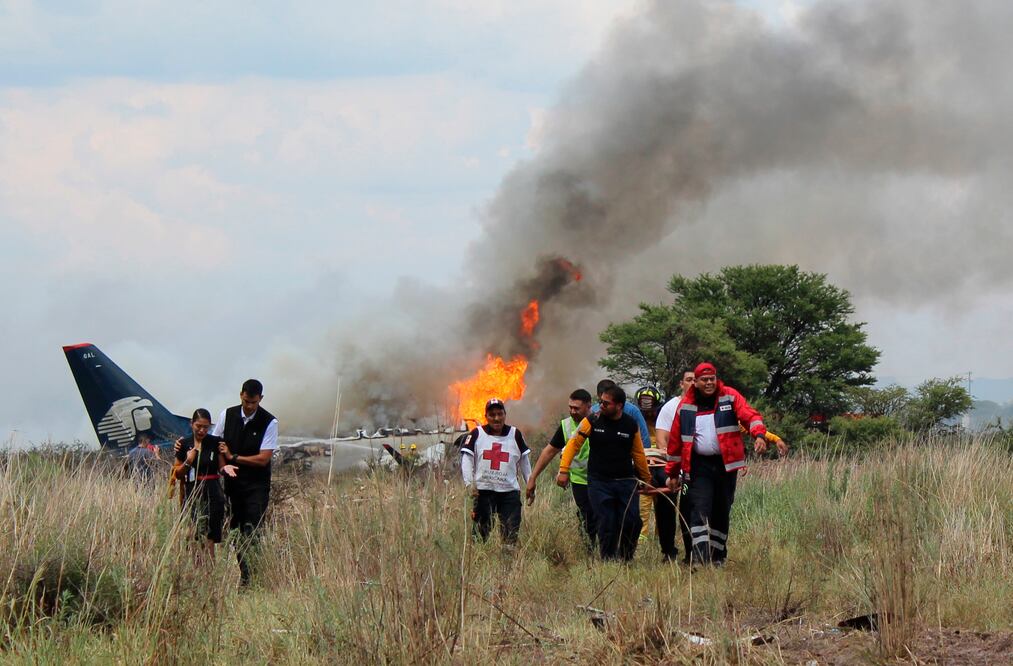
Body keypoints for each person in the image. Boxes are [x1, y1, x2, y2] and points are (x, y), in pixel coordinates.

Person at [664, 362, 767, 566]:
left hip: (725, 466)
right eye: (704, 379)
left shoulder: (729, 396)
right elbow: (675, 443)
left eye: (712, 378)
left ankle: (718, 557)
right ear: (696, 382)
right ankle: (699, 560)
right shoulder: (685, 407)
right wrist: (672, 473)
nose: (709, 382)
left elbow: (750, 416)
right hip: (699, 466)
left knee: (721, 510)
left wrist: (759, 435)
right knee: (698, 510)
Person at [558, 386, 652, 561]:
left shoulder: (630, 425)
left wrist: (646, 479)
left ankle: (625, 558)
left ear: (619, 406)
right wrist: (564, 470)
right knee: (606, 521)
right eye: (600, 401)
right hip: (599, 482)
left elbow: (638, 454)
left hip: (626, 481)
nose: (600, 406)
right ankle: (608, 560)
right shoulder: (592, 420)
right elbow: (573, 445)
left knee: (633, 522)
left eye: (605, 403)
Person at [213, 379, 278, 586]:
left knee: (252, 530)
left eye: (254, 402)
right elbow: (217, 444)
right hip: (233, 485)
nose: (250, 406)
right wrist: (224, 466)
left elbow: (263, 458)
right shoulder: (227, 415)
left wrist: (234, 458)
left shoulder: (269, 422)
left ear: (261, 399)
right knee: (236, 530)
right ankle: (244, 575)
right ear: (241, 394)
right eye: (247, 401)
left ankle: (252, 577)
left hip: (256, 486)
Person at [524, 389, 596, 548]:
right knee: (587, 516)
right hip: (579, 480)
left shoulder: (598, 421)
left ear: (588, 406)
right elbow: (549, 451)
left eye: (576, 408)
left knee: (603, 515)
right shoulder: (566, 425)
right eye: (570, 407)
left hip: (601, 479)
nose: (572, 411)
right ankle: (590, 551)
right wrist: (533, 477)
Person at [461, 398, 531, 544]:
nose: (497, 418)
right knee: (480, 535)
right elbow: (466, 459)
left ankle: (507, 565)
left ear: (505, 414)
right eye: (492, 415)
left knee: (510, 533)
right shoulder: (476, 434)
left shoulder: (515, 434)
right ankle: (477, 563)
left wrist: (530, 484)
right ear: (486, 416)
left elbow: (524, 461)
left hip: (509, 493)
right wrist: (469, 484)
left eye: (500, 414)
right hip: (484, 492)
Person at [175, 409, 237, 559]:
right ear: (191, 424)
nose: (202, 430)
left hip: (212, 490)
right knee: (194, 531)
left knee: (209, 534)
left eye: (206, 427)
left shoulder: (215, 442)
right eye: (198, 426)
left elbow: (221, 466)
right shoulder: (183, 444)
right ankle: (195, 567)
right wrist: (188, 461)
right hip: (192, 490)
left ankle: (209, 569)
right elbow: (177, 473)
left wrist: (226, 468)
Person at [655, 368, 698, 562]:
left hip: (695, 468)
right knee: (665, 505)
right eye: (689, 380)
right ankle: (668, 550)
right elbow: (661, 439)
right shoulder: (670, 407)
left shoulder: (706, 406)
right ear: (681, 384)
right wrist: (672, 466)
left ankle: (692, 553)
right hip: (672, 466)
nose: (693, 383)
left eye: (696, 380)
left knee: (689, 509)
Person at [634, 386, 664, 543]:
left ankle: (662, 537)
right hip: (643, 471)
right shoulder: (636, 423)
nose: (648, 414)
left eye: (651, 410)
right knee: (643, 505)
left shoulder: (663, 421)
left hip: (663, 470)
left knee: (664, 505)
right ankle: (641, 539)